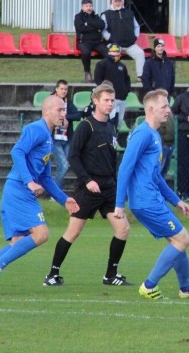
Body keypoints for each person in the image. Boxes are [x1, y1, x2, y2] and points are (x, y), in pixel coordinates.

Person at [0, 96, 79, 295]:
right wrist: (29, 181)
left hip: (18, 190)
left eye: (64, 110)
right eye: (60, 110)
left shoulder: (48, 138)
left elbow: (45, 177)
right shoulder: (36, 129)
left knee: (18, 242)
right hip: (19, 189)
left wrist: (64, 199)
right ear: (46, 111)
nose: (64, 113)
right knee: (42, 234)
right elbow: (17, 151)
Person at [115, 89, 189, 300]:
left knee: (177, 240)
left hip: (152, 199)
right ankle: (149, 285)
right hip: (145, 201)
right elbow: (125, 168)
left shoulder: (155, 135)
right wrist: (118, 204)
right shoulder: (142, 134)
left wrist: (177, 201)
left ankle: (186, 290)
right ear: (150, 109)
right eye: (164, 107)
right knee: (182, 239)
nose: (168, 111)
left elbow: (156, 176)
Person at [43, 82, 133, 287]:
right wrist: (87, 180)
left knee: (123, 229)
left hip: (109, 188)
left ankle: (111, 275)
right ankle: (52, 274)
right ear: (95, 101)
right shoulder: (86, 126)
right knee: (73, 232)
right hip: (89, 188)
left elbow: (111, 159)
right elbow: (73, 157)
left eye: (112, 101)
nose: (110, 104)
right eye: (106, 100)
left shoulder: (110, 127)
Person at [101, 0, 145, 82]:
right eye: (116, 1)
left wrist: (135, 37)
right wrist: (110, 38)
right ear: (111, 1)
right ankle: (111, 78)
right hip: (114, 44)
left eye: (119, 1)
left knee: (140, 53)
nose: (118, 3)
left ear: (123, 1)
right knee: (113, 55)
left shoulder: (129, 13)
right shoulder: (106, 14)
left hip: (129, 44)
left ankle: (140, 77)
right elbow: (103, 30)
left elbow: (137, 27)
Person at [50, 79, 83, 189]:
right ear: (56, 89)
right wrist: (61, 119)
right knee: (63, 166)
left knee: (68, 164)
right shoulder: (50, 101)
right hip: (54, 139)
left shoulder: (68, 102)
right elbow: (48, 116)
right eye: (62, 89)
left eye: (66, 89)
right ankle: (55, 192)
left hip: (67, 139)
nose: (64, 91)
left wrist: (66, 118)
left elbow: (78, 115)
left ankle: (57, 190)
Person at [94, 44, 132, 130]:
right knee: (109, 121)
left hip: (122, 98)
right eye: (113, 51)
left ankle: (115, 139)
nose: (115, 54)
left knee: (119, 122)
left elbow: (127, 79)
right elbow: (98, 80)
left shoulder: (122, 65)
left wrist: (126, 91)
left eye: (117, 52)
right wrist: (106, 94)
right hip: (110, 100)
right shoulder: (101, 64)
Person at [74, 0, 108, 83]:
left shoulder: (96, 16)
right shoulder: (78, 17)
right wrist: (94, 27)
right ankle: (87, 72)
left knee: (108, 53)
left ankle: (105, 75)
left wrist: (88, 23)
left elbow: (102, 25)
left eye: (90, 6)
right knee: (86, 52)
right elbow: (81, 28)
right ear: (82, 7)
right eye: (86, 6)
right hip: (83, 42)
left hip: (97, 42)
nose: (89, 8)